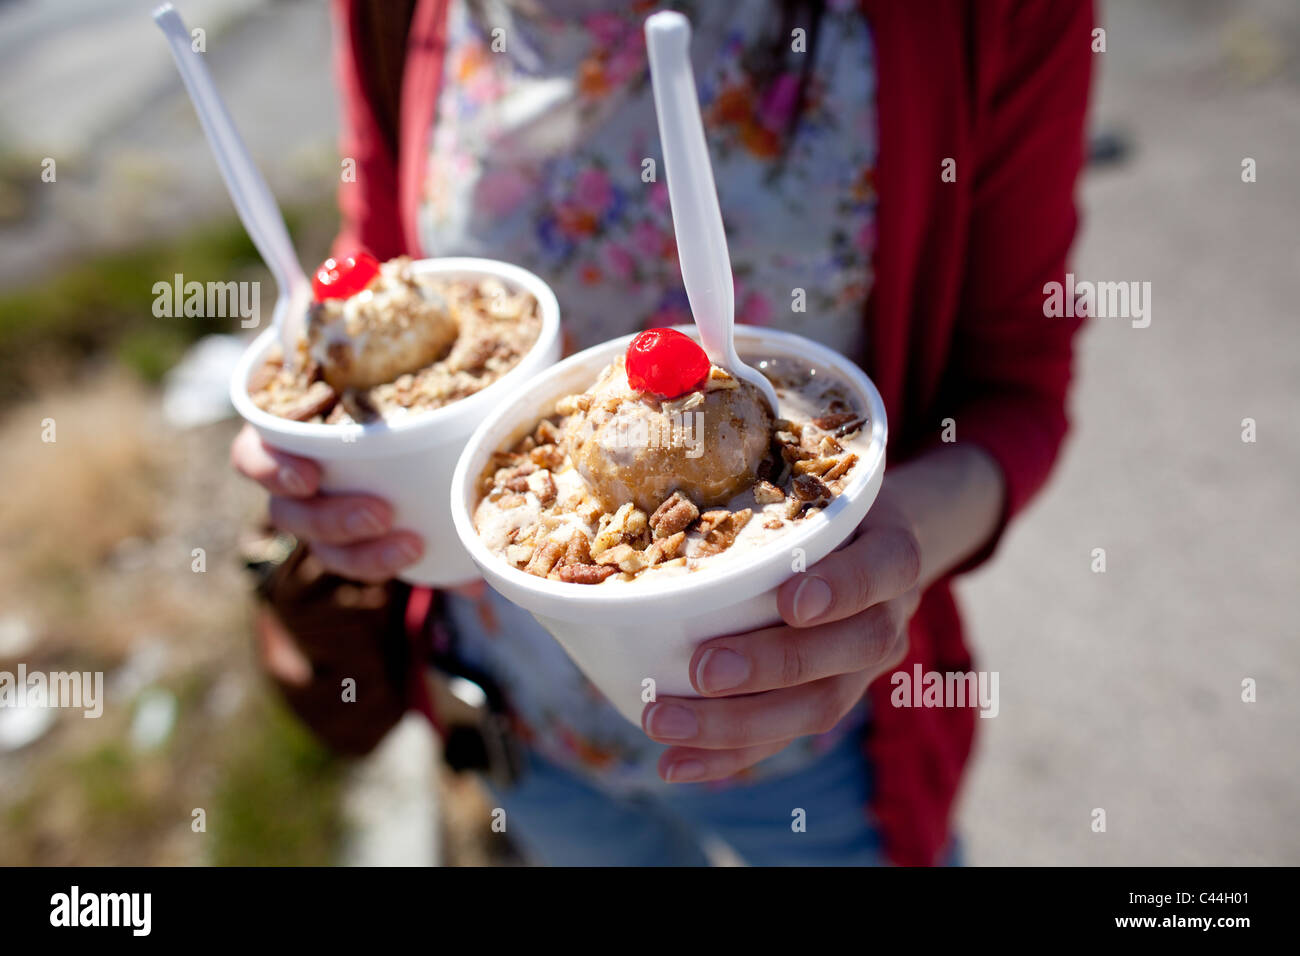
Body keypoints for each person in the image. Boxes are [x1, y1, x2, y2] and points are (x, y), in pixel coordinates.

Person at [232, 0, 1093, 865]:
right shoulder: (391, 12)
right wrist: (332, 455)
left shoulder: (979, 18)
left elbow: (1016, 386)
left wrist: (896, 549)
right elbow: (395, 261)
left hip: (819, 746)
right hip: (523, 724)